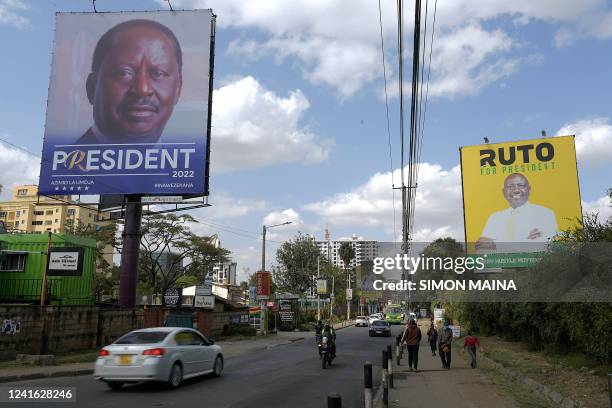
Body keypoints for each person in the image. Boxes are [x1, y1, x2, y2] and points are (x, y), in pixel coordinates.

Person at [76, 19, 183, 144]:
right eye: (123, 73)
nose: (142, 89)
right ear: (92, 88)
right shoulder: (65, 163)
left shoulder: (191, 163)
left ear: (178, 90)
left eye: (158, 74)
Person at [476, 174, 558, 250]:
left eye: (521, 185)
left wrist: (496, 245)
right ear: (504, 192)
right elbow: (482, 248)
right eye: (510, 186)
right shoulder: (494, 218)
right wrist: (526, 239)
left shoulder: (545, 214)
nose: (516, 190)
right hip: (501, 265)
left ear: (529, 190)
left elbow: (544, 245)